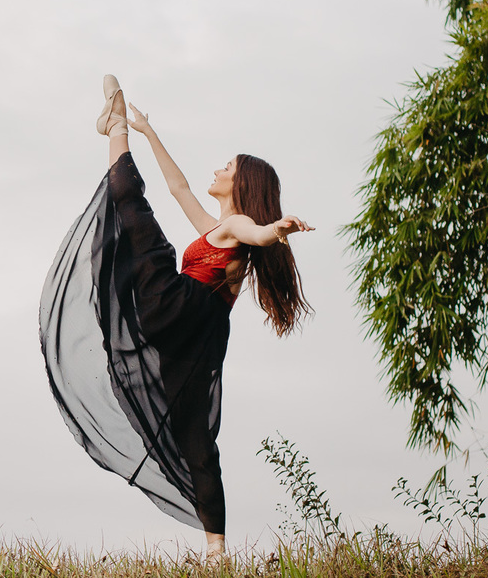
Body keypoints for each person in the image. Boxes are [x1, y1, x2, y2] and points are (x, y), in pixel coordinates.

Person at [39, 75, 313, 561]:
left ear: (241, 183)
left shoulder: (236, 227)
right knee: (196, 440)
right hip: (186, 340)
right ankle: (217, 551)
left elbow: (256, 230)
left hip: (174, 308)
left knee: (132, 211)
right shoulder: (217, 228)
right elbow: (179, 185)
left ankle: (115, 122)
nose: (218, 168)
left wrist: (277, 227)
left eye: (227, 166)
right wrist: (150, 132)